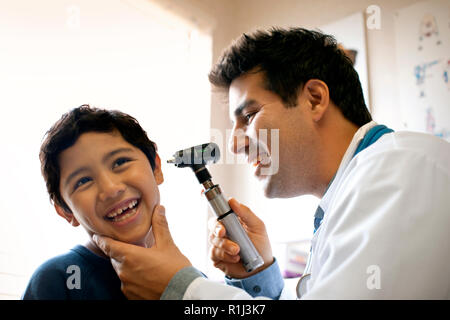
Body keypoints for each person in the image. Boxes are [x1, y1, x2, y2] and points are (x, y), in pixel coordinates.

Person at [93, 27, 450, 299]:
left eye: (249, 115)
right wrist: (261, 275)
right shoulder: (360, 186)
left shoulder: (399, 169)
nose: (234, 142)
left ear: (314, 99)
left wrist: (183, 290)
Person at [22, 105, 179, 299]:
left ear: (156, 168)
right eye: (83, 181)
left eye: (120, 162)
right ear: (66, 212)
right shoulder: (55, 280)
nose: (111, 189)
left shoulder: (186, 280)